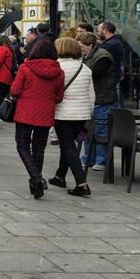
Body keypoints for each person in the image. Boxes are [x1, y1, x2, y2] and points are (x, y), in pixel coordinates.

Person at [10, 38, 65, 199]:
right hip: (45, 113)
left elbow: (15, 90)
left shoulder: (26, 68)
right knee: (39, 149)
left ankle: (36, 178)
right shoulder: (59, 72)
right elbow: (59, 97)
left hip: (25, 112)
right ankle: (36, 183)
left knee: (22, 146)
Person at [50, 37, 94, 196]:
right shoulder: (85, 69)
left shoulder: (57, 67)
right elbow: (91, 95)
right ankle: (59, 176)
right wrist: (89, 114)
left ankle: (81, 183)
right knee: (67, 145)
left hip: (63, 113)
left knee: (68, 146)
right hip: (81, 114)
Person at [78, 31, 118, 171]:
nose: (80, 49)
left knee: (101, 131)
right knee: (88, 132)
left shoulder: (103, 56)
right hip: (92, 99)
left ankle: (101, 161)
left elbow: (96, 73)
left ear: (90, 45)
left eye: (82, 46)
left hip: (103, 99)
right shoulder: (87, 56)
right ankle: (88, 159)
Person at [0, 35, 16, 106]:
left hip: (1, 77)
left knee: (0, 98)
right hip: (8, 77)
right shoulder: (10, 49)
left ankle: (4, 114)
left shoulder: (2, 49)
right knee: (5, 97)